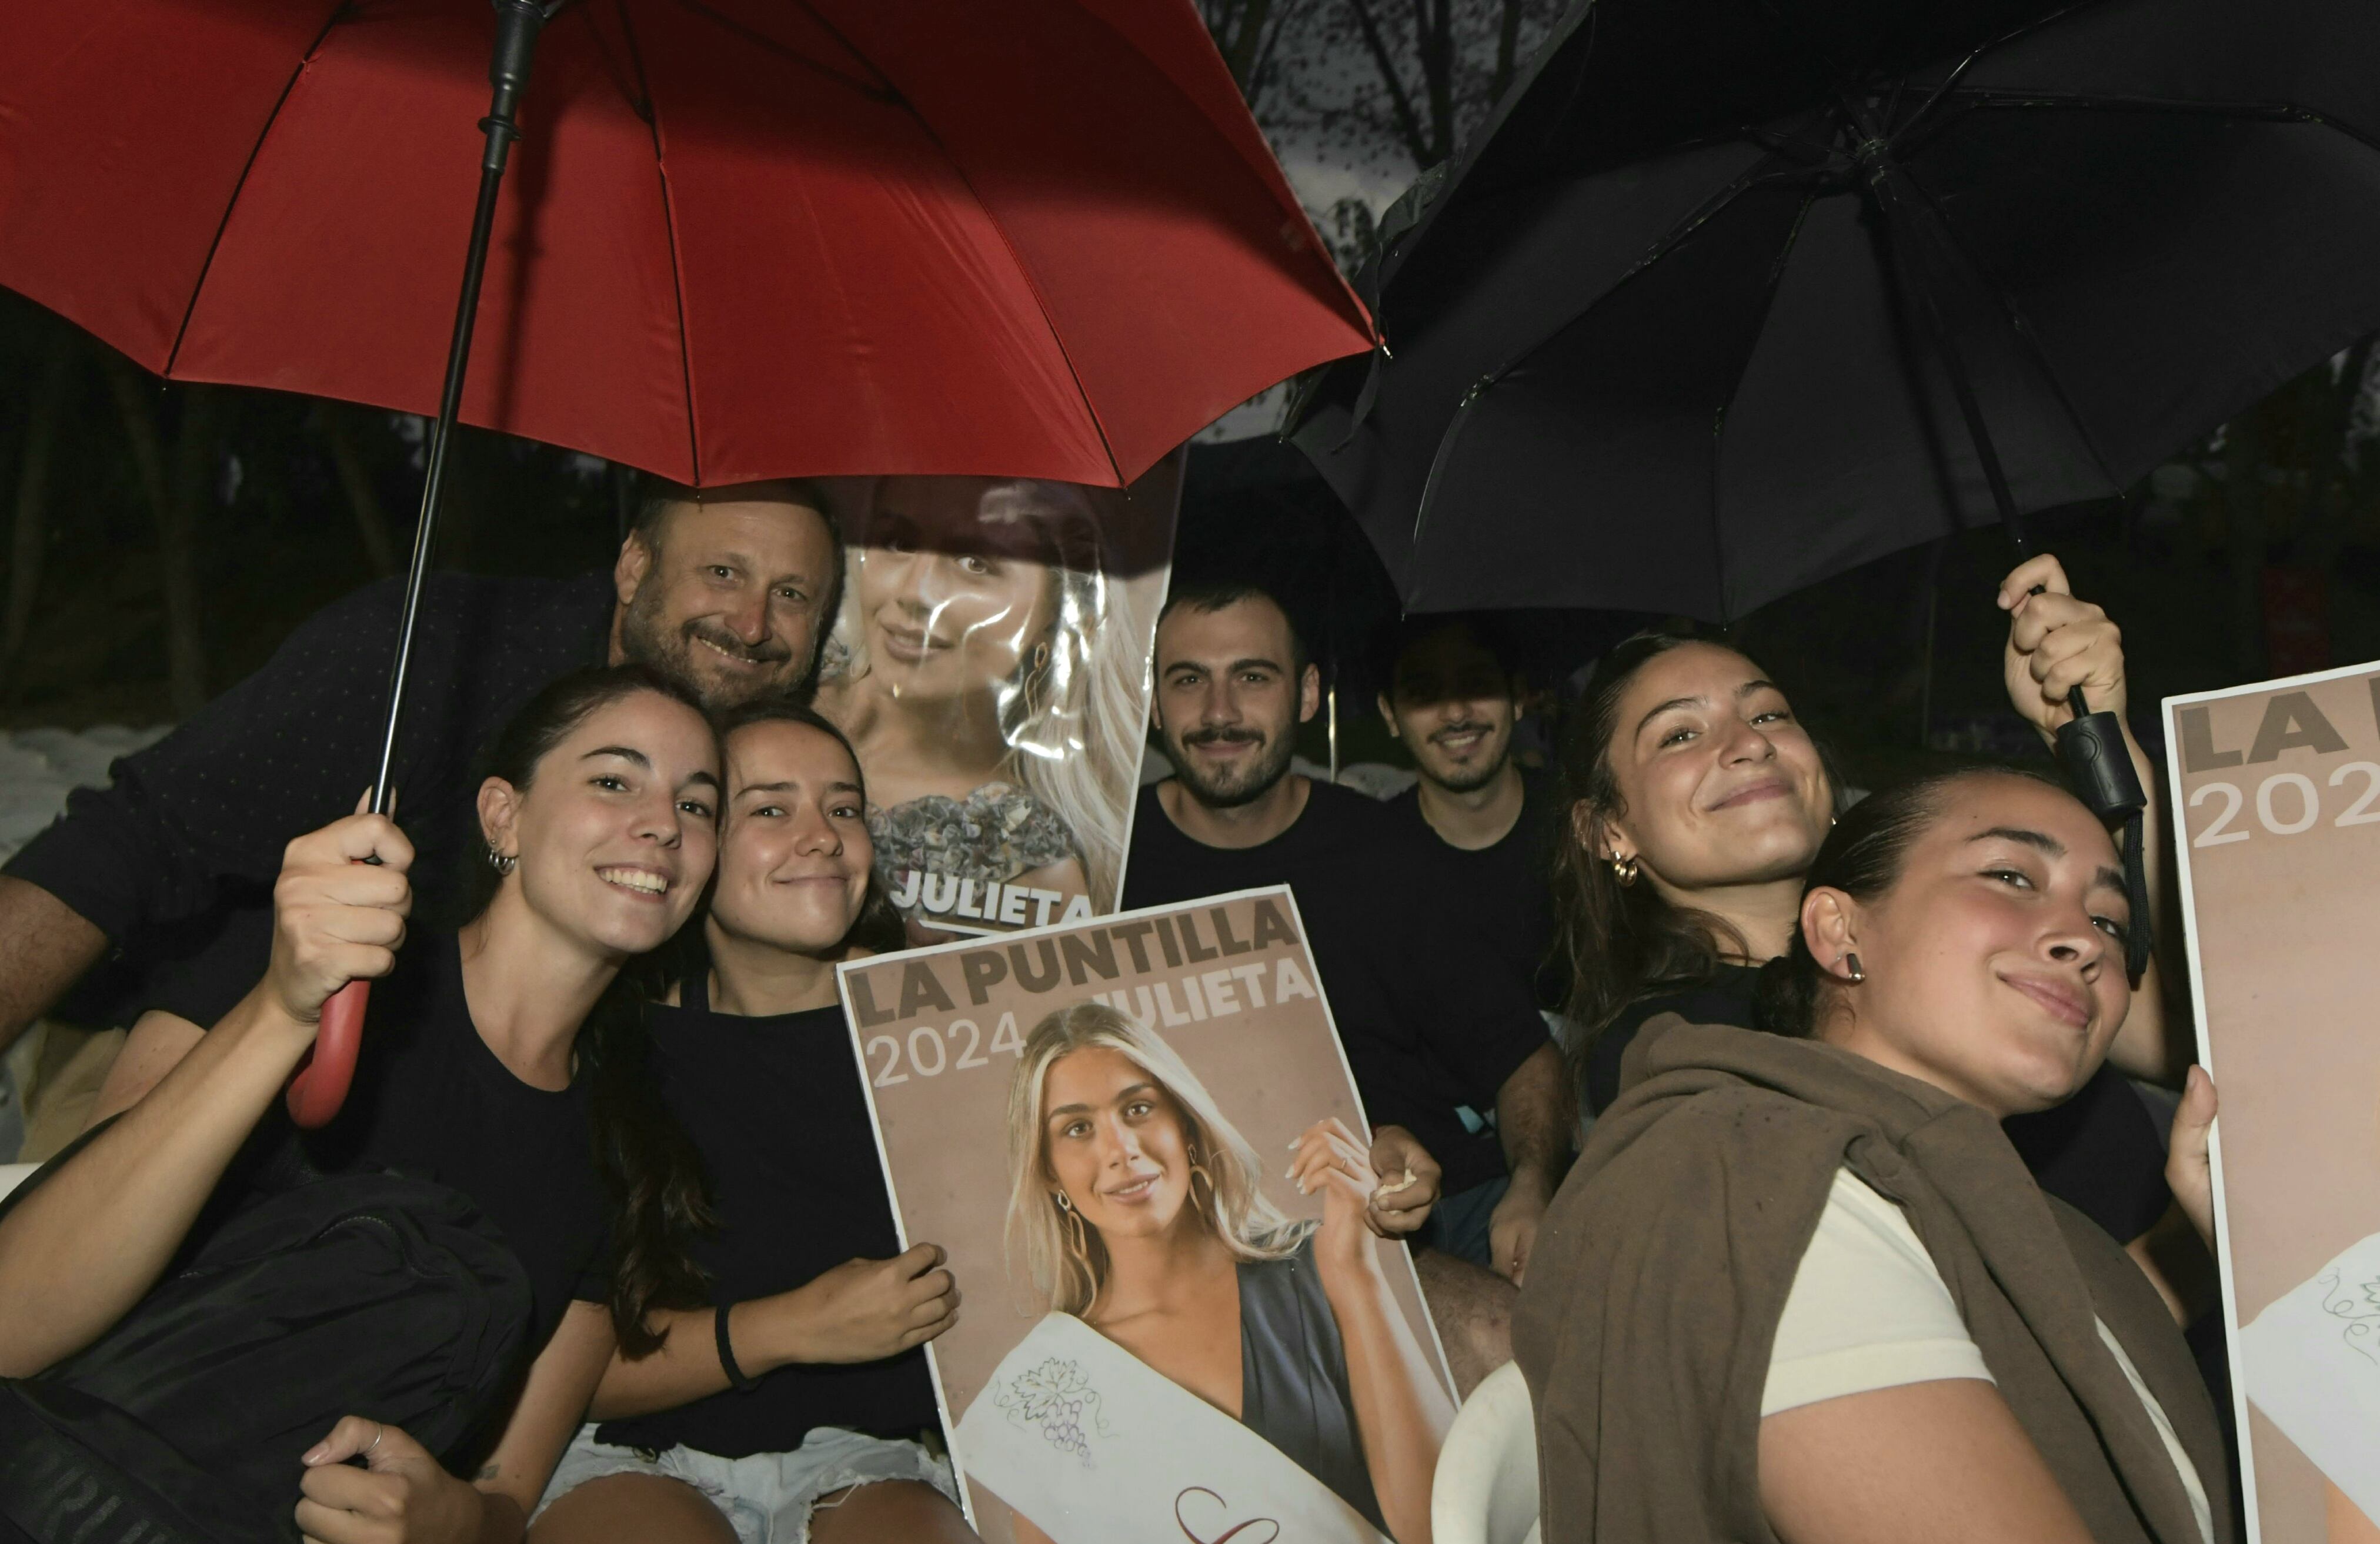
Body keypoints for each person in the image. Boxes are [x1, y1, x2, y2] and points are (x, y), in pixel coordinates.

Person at [0, 664, 722, 1539]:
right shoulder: (304, 965)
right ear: (504, 814)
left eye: (697, 805)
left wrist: (450, 1517)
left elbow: (505, 1490)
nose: (661, 825)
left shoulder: (628, 1152)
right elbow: (15, 1316)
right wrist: (281, 1008)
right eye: (614, 779)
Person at [1516, 766, 2229, 1544]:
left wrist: (2225, 1233)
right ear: (1837, 931)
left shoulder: (1953, 1188)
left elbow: (2061, 1338)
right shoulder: (1759, 1176)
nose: (2083, 940)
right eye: (2008, 875)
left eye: (2111, 922)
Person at [0, 476, 842, 1127]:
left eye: (794, 595)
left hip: (440, 1114)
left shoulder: (762, 762)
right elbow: (134, 839)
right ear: (633, 565)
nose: (753, 622)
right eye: (723, 572)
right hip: (183, 1044)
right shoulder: (431, 655)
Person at [1558, 556, 2198, 1302]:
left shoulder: (1950, 928)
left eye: (1769, 714)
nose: (1750, 743)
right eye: (1678, 736)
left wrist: (2098, 734)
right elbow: (1943, 1327)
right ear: (1608, 832)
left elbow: (2189, 1030)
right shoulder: (1674, 1059)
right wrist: (2196, 1250)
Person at [530, 702, 976, 1544]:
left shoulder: (947, 1038)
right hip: (637, 1454)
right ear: (694, 847)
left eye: (843, 807)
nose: (821, 835)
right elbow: (555, 1374)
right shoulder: (607, 1050)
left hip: (866, 1460)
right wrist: (797, 1324)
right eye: (769, 808)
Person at [1121, 579, 1570, 1388]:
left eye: (1252, 677)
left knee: (1550, 1353)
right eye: (1187, 679)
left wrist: (1532, 1187)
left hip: (1433, 1212)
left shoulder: (1388, 855)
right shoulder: (1102, 867)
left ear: (1306, 694)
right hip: (1209, 1241)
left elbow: (1522, 1057)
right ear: (1151, 701)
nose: (1218, 711)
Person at [959, 1002, 1453, 1544]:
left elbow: (1443, 1529)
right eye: (1077, 1128)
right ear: (1049, 1172)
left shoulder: (1316, 1266)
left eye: (1138, 1109)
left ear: (1186, 1127)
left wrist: (1355, 1273)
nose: (1121, 1149)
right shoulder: (1052, 1382)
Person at [815, 477, 1156, 937]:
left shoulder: (1022, 861)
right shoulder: (782, 682)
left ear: (1057, 612)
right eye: (898, 542)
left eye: (975, 563)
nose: (915, 592)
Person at [1372, 614, 1561, 1012]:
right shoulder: (1372, 862)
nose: (1456, 714)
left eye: (1476, 684)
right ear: (1389, 715)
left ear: (1517, 697)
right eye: (1424, 693)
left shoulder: (1585, 826)